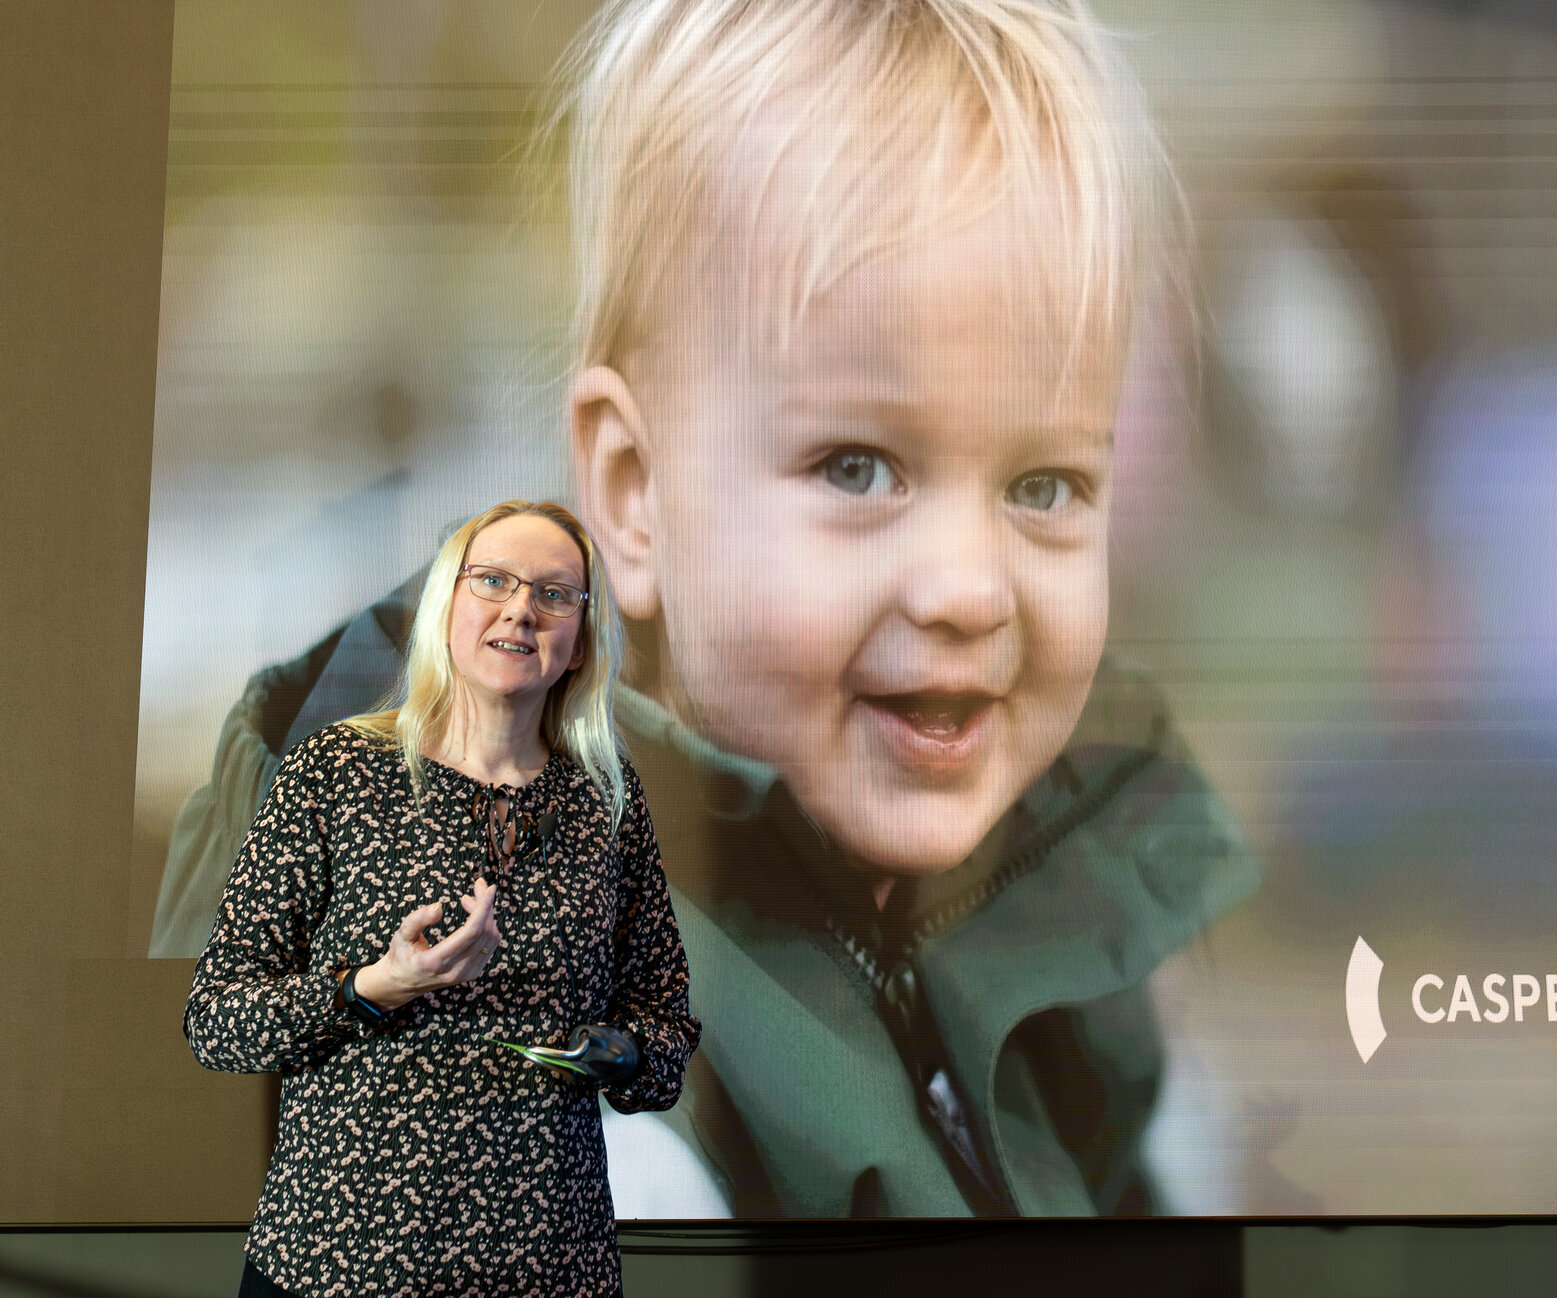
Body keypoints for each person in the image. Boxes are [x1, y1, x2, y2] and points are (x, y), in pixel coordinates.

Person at [163, 0, 1254, 1217]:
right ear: (633, 498)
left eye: (1043, 484)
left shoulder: (1068, 935)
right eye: (856, 466)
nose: (965, 588)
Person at [184, 499, 701, 1295]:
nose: (521, 610)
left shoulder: (605, 798)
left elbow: (664, 1025)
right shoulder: (336, 770)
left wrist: (619, 1053)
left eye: (556, 594)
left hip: (550, 1269)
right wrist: (372, 989)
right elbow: (217, 1021)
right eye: (491, 581)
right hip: (339, 1266)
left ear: (580, 643)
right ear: (445, 607)